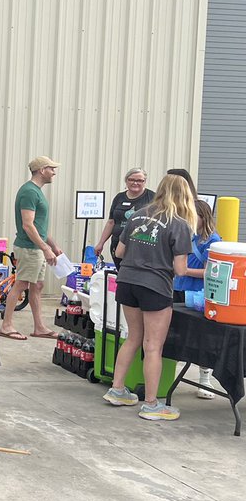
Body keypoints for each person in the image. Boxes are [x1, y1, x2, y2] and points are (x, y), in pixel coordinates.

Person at [102, 175, 204, 420]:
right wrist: (205, 272)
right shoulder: (178, 223)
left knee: (133, 338)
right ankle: (151, 404)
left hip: (126, 281)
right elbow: (180, 270)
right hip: (155, 286)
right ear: (185, 196)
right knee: (153, 346)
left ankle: (117, 390)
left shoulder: (137, 214)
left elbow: (119, 250)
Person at [0, 155, 62, 340]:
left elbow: (39, 226)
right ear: (42, 170)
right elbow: (28, 225)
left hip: (35, 248)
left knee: (37, 285)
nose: (54, 172)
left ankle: (39, 327)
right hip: (29, 248)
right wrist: (45, 248)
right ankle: (6, 325)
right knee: (21, 284)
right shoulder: (29, 192)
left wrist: (53, 245)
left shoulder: (36, 192)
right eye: (51, 168)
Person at [174, 200, 220, 399]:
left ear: (203, 217)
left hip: (198, 295)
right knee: (173, 334)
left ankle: (204, 379)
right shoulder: (184, 234)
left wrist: (184, 271)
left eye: (193, 215)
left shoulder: (213, 241)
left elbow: (212, 272)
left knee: (202, 338)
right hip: (177, 288)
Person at [93, 169, 154, 268]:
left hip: (140, 245)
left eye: (139, 180)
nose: (135, 183)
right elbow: (111, 222)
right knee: (121, 273)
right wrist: (101, 243)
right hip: (118, 243)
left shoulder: (152, 198)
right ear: (126, 181)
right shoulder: (119, 197)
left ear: (145, 182)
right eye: (131, 179)